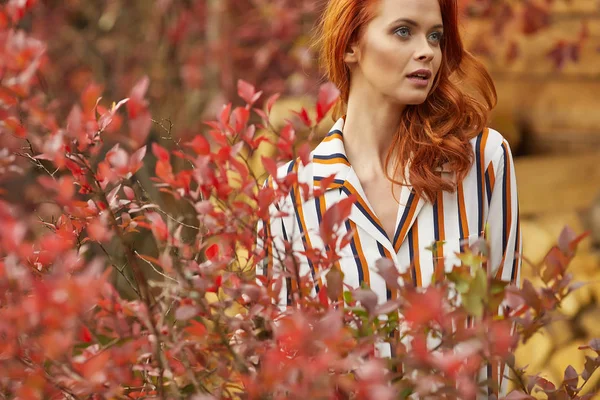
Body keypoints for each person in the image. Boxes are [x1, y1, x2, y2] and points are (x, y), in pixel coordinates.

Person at [256, 0, 522, 397]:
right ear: (351, 46)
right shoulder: (290, 194)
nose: (427, 51)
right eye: (403, 31)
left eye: (435, 36)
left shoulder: (481, 162)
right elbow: (279, 362)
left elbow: (503, 325)